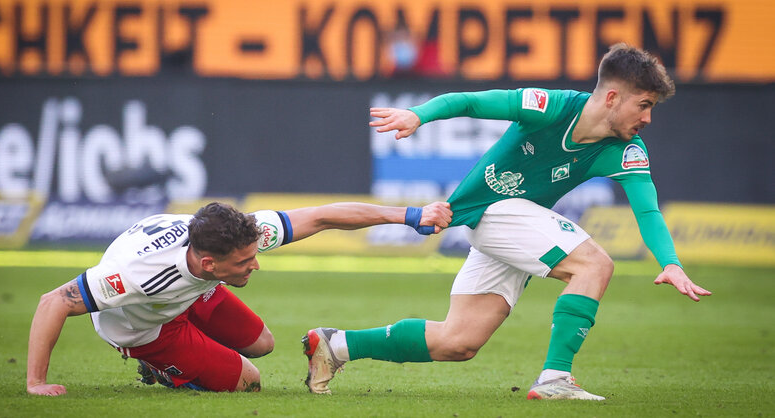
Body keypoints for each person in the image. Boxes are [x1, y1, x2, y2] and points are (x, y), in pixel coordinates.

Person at [302, 43, 712, 400]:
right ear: (611, 98)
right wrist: (418, 115)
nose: (648, 119)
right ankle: (556, 378)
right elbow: (468, 102)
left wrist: (670, 262)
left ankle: (337, 346)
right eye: (644, 105)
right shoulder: (549, 106)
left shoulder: (627, 149)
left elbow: (647, 211)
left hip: (510, 224)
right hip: (493, 210)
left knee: (458, 342)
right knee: (595, 264)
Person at [26, 200, 452, 396]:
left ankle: (192, 329)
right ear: (210, 263)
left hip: (187, 293)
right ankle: (158, 367)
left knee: (262, 343)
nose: (257, 265)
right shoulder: (137, 276)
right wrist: (36, 384)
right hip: (144, 326)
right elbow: (54, 302)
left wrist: (408, 216)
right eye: (246, 261)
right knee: (249, 382)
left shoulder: (239, 234)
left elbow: (322, 216)